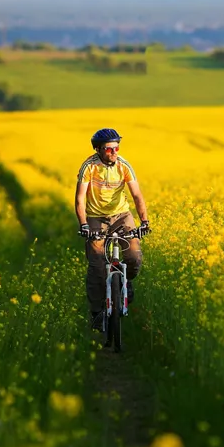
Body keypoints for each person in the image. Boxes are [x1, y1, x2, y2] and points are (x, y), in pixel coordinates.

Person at [75, 128, 151, 328]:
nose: (114, 152)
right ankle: (97, 314)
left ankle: (126, 282)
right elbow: (80, 199)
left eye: (116, 148)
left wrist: (144, 222)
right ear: (98, 149)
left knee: (134, 257)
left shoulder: (124, 165)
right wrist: (84, 225)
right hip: (95, 217)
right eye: (109, 149)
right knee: (97, 266)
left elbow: (137, 196)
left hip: (121, 215)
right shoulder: (88, 167)